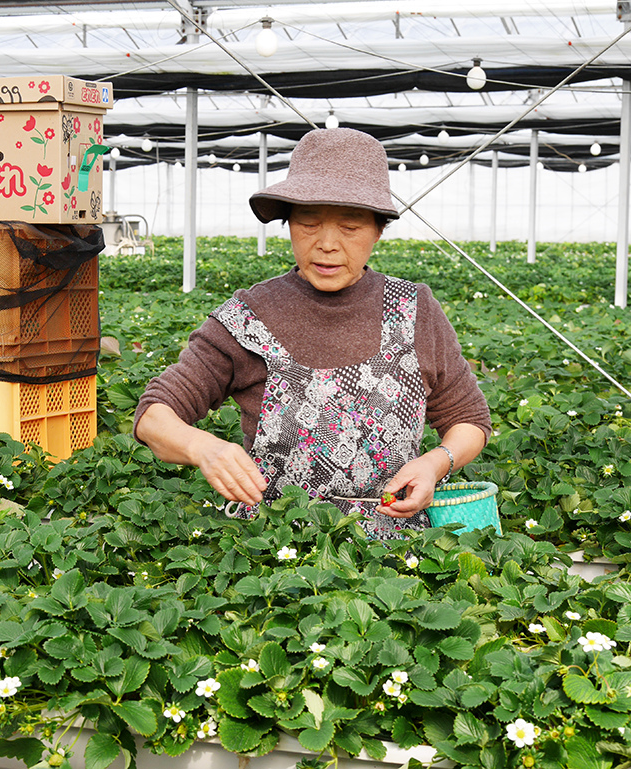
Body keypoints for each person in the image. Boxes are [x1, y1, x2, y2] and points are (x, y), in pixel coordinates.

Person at [134, 127, 491, 539]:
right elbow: (154, 416)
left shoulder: (414, 311)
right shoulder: (249, 317)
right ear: (287, 224)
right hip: (277, 551)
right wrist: (205, 449)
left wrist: (435, 463)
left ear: (378, 229)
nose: (326, 244)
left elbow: (469, 420)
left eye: (350, 227)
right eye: (308, 223)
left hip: (395, 552)